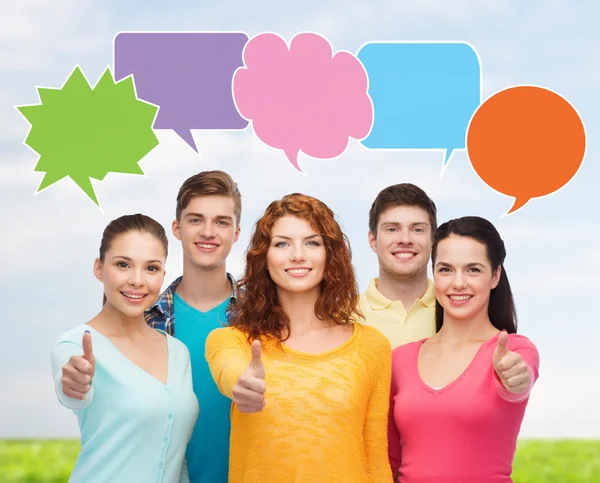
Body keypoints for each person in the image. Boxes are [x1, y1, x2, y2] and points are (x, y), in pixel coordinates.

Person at [205, 193, 393, 482]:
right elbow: (229, 370)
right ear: (264, 257)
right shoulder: (231, 341)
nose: (297, 255)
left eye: (312, 243)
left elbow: (376, 458)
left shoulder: (371, 346)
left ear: (331, 254)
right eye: (282, 243)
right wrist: (240, 385)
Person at [388, 216, 540, 482]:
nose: (458, 283)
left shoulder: (512, 350)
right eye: (446, 269)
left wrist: (516, 379)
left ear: (495, 276)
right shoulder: (400, 359)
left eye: (473, 270)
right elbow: (388, 458)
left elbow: (520, 381)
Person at [51, 214, 199, 483]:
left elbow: (176, 458)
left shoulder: (178, 352)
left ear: (163, 275)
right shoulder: (75, 346)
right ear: (99, 268)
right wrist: (75, 385)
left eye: (151, 268)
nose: (137, 280)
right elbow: (73, 394)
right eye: (123, 265)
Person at [145, 170, 242, 483]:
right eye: (196, 219)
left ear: (236, 232)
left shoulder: (265, 317)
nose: (208, 232)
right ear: (177, 228)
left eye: (221, 222)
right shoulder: (145, 319)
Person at [360, 183, 438, 348]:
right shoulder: (342, 317)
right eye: (392, 229)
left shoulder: (458, 312)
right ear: (373, 241)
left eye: (417, 229)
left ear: (433, 240)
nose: (405, 239)